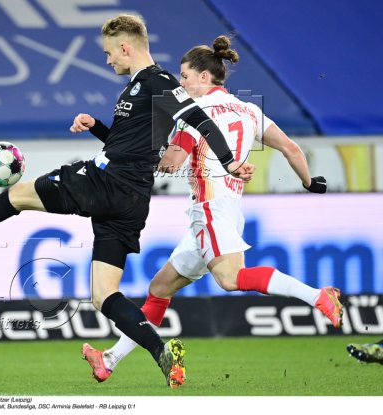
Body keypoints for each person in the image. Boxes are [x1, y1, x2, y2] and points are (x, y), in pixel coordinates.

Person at [0, 15, 254, 388]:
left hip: (105, 182)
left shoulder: (158, 82)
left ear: (125, 47)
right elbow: (127, 146)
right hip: (130, 199)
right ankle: (161, 352)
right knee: (103, 294)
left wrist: (230, 163)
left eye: (109, 53)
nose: (108, 60)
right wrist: (96, 126)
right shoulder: (140, 88)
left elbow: (201, 120)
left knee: (18, 195)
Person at [81, 35, 344, 383]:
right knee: (160, 288)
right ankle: (110, 359)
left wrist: (107, 136)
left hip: (210, 209)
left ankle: (317, 296)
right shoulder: (249, 111)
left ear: (204, 77)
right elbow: (291, 148)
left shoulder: (194, 114)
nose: (180, 83)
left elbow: (170, 163)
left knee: (231, 279)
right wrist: (310, 183)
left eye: (185, 76)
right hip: (227, 209)